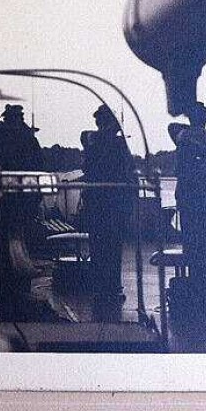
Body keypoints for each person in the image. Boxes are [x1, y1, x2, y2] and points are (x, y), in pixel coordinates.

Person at [80, 103, 137, 320]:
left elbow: (128, 175)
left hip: (109, 204)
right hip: (103, 204)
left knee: (108, 247)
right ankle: (107, 288)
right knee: (105, 247)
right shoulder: (99, 142)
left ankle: (110, 288)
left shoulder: (109, 144)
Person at [168, 102, 206, 278]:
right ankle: (201, 277)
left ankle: (199, 277)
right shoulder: (200, 138)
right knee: (204, 237)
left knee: (196, 237)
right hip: (202, 195)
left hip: (195, 195)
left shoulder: (187, 137)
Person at [0, 104, 43, 171]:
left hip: (24, 166)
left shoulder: (24, 129)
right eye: (19, 116)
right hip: (7, 165)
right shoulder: (2, 129)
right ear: (12, 118)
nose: (22, 119)